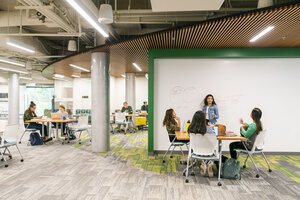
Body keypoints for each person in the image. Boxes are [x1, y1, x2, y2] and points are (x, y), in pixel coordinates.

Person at [188, 110, 215, 177]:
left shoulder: (190, 129)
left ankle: (203, 164)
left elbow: (190, 137)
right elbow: (214, 137)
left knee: (201, 147)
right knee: (209, 147)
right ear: (204, 119)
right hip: (209, 152)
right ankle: (210, 163)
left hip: (196, 151)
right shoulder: (208, 129)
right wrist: (212, 128)